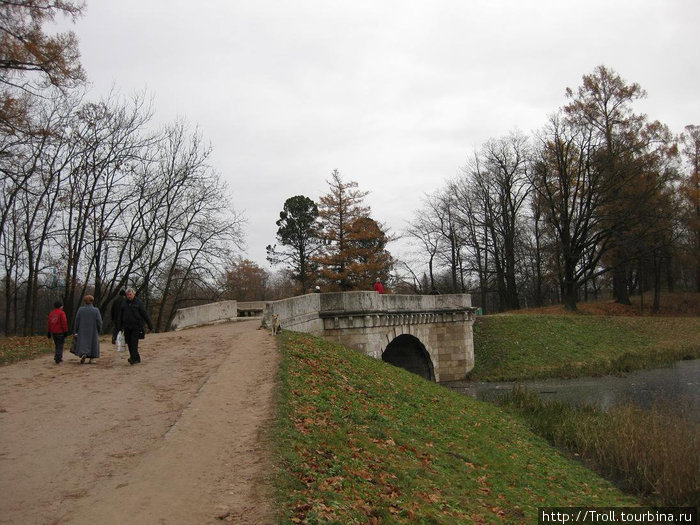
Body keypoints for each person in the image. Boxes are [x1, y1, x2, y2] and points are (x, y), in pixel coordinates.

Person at [116, 288, 153, 365]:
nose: (129, 296)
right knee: (129, 342)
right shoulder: (124, 303)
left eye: (130, 294)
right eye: (127, 295)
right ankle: (136, 358)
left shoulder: (138, 303)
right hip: (126, 326)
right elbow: (120, 315)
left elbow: (144, 314)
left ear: (134, 294)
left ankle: (132, 358)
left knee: (134, 342)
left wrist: (150, 325)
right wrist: (119, 326)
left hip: (136, 326)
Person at [71, 295, 102, 364]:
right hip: (93, 330)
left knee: (83, 342)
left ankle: (83, 353)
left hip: (82, 330)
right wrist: (99, 329)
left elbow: (77, 320)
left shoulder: (80, 309)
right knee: (93, 343)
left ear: (84, 301)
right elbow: (99, 321)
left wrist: (75, 330)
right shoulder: (96, 310)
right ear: (92, 301)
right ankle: (92, 358)